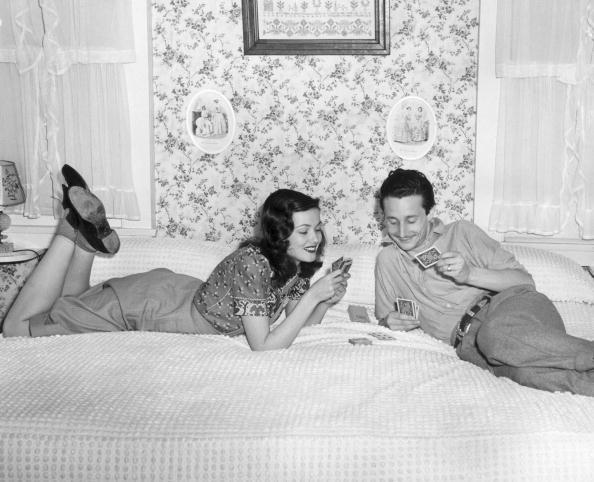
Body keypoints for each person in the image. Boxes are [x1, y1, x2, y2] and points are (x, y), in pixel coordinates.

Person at [2, 165, 349, 351]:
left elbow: (299, 325)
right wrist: (315, 296)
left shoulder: (293, 262)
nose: (315, 238)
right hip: (149, 306)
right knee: (15, 330)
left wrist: (323, 299)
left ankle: (85, 243)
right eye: (304, 231)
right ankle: (69, 229)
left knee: (73, 302)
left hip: (174, 295)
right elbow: (263, 344)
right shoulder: (252, 263)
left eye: (317, 228)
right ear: (279, 233)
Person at [375, 168, 594, 396]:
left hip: (511, 309)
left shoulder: (462, 232)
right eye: (392, 222)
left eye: (411, 220)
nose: (401, 232)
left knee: (495, 336)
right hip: (468, 345)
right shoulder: (386, 262)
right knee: (525, 376)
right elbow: (382, 319)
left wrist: (469, 274)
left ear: (428, 213)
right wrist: (389, 322)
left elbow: (525, 281)